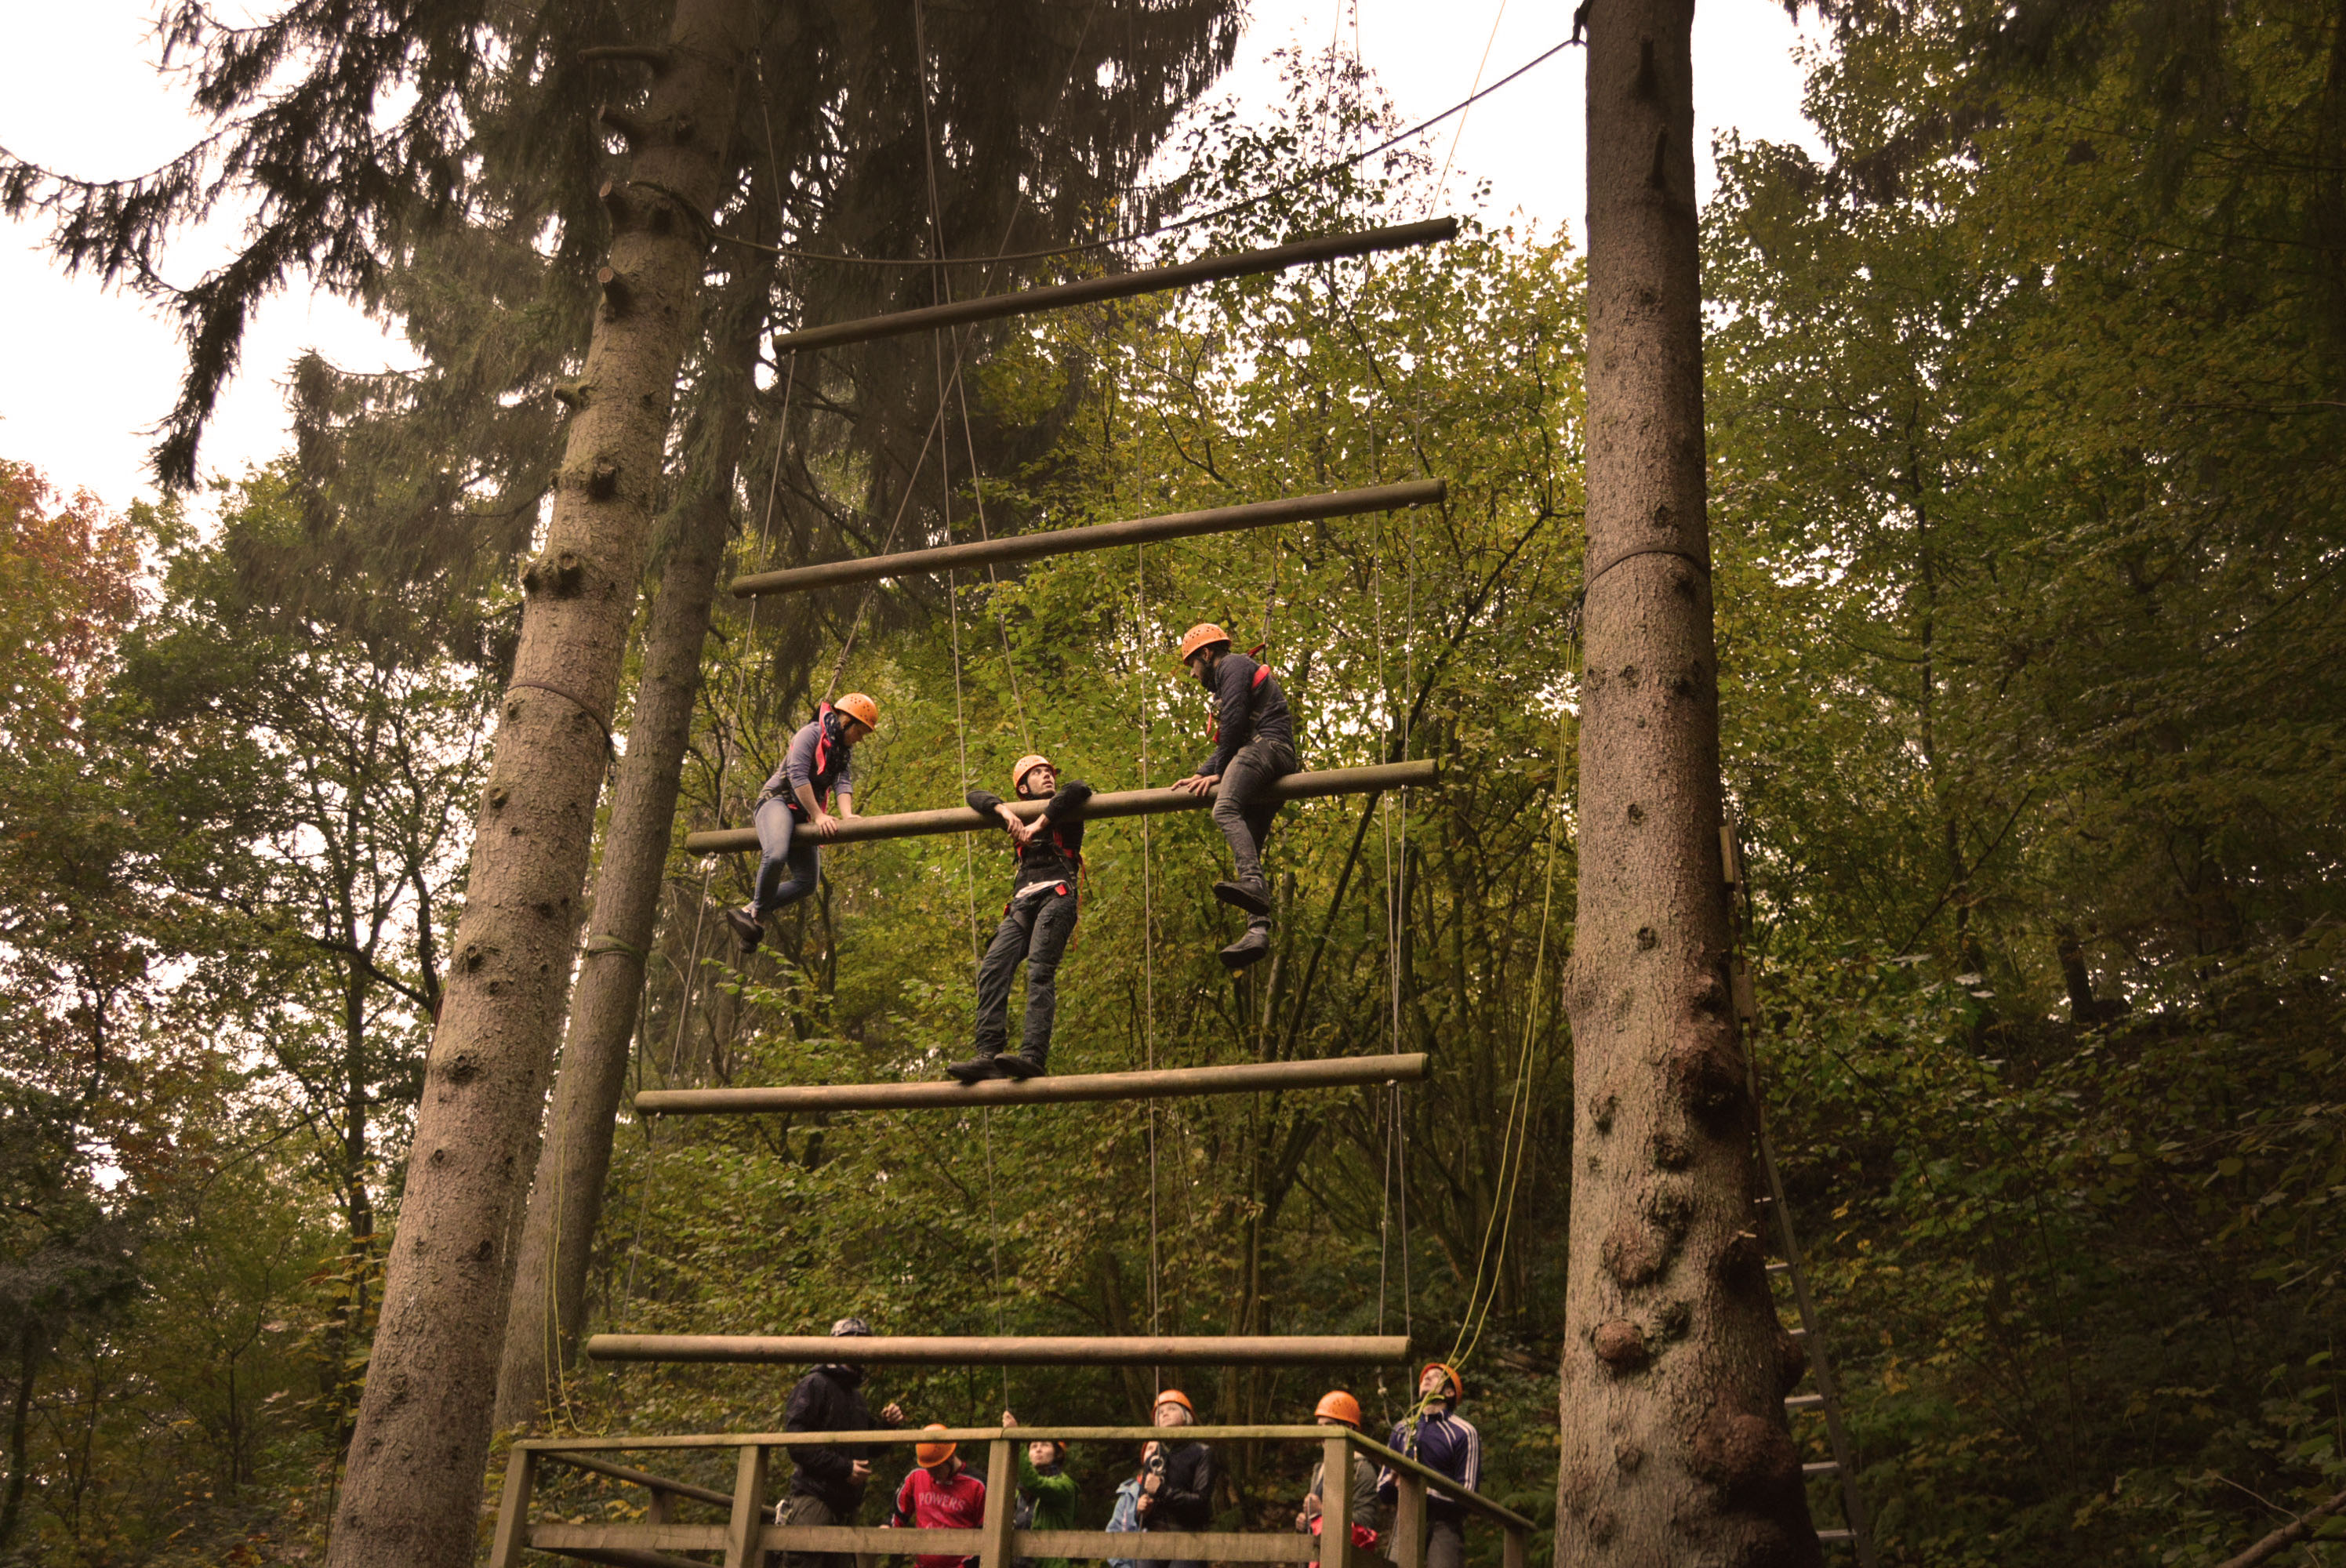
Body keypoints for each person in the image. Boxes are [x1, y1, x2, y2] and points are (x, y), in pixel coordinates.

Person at [946, 755, 1093, 1083]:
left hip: (1057, 896)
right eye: (1037, 774)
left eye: (1048, 772)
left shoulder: (1066, 808)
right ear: (1023, 789)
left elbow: (1079, 788)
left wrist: (1039, 824)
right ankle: (987, 1054)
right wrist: (1005, 812)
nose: (1047, 776)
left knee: (1039, 970)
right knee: (993, 968)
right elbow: (974, 796)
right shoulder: (1016, 814)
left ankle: (1032, 1056)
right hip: (1022, 904)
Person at [1169, 624, 1297, 971]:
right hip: (1265, 753)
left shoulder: (1233, 665)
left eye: (1192, 665)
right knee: (1249, 843)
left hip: (1267, 749)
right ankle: (1258, 930)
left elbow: (1236, 722)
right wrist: (1203, 772)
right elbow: (1233, 734)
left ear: (1206, 653)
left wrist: (1221, 771)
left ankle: (1253, 885)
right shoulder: (1232, 677)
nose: (1193, 674)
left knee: (1224, 808)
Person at [728, 692, 878, 952]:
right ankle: (756, 913)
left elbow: (842, 782)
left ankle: (750, 913)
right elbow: (797, 775)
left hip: (802, 814)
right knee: (775, 855)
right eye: (860, 731)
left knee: (808, 882)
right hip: (778, 802)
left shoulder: (842, 753)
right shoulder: (810, 734)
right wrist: (819, 815)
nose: (860, 739)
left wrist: (848, 816)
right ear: (846, 721)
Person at [772, 1316, 906, 1568]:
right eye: (856, 1343)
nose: (862, 1350)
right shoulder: (815, 1384)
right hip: (815, 1498)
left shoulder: (856, 1397)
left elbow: (871, 1447)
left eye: (866, 1345)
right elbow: (797, 1444)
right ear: (837, 1345)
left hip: (846, 1508)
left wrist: (888, 1425)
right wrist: (844, 1468)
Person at [1375, 1364, 1480, 1568]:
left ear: (1449, 1392)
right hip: (1406, 1517)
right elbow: (1382, 1489)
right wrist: (1393, 1483)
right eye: (1425, 1377)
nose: (1427, 1378)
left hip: (1445, 1522)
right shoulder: (1402, 1429)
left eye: (1435, 1376)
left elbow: (1468, 1495)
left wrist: (1425, 1492)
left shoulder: (1464, 1432)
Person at [888, 1425, 987, 1568]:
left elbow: (987, 1536)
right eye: (928, 1468)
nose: (931, 1474)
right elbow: (897, 1515)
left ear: (951, 1457)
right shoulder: (917, 1476)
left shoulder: (977, 1485)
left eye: (936, 1469)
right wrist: (886, 1528)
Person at [1136, 1388, 1215, 1568]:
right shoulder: (1153, 1458)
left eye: (1171, 1409)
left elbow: (1201, 1502)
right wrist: (1141, 1509)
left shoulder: (1201, 1452)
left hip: (1188, 1535)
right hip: (1155, 1538)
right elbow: (1140, 1517)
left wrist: (1163, 1491)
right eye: (1160, 1412)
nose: (1164, 1414)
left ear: (1187, 1417)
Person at [1295, 1390, 1385, 1547]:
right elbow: (1317, 1522)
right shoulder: (1320, 1468)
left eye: (1329, 1426)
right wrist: (1304, 1522)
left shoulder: (1363, 1469)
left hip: (1347, 1553)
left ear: (1349, 1427)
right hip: (1318, 1552)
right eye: (1320, 1427)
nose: (1323, 1433)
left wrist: (1322, 1510)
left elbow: (1366, 1522)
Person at [1002, 1408, 1078, 1568]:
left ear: (1057, 1453)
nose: (1038, 1449)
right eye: (1033, 1446)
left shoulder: (1064, 1485)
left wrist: (1016, 1437)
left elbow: (1034, 1483)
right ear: (1028, 1454)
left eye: (1044, 1445)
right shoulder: (1018, 1491)